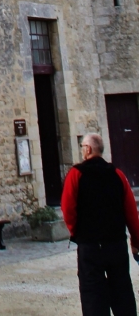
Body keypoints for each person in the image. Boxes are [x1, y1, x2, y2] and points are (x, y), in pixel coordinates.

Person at [61, 132, 139, 316]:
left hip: (90, 246)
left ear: (88, 149)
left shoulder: (76, 174)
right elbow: (131, 212)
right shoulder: (117, 174)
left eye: (82, 147)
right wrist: (136, 240)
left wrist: (76, 231)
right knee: (122, 292)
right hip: (115, 245)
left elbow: (67, 208)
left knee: (92, 295)